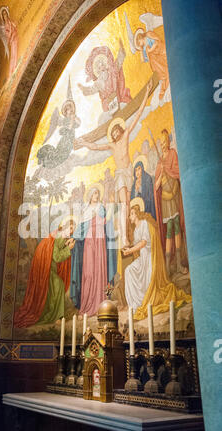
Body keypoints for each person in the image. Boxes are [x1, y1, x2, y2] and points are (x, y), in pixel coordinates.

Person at [76, 80, 153, 247]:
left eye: (118, 130)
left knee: (131, 202)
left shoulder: (125, 136)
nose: (117, 132)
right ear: (112, 134)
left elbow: (138, 115)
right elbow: (96, 147)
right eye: (114, 132)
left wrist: (146, 93)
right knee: (124, 204)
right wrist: (83, 143)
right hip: (120, 174)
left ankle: (131, 233)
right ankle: (124, 238)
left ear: (121, 130)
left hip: (129, 171)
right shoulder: (111, 145)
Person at [122, 198, 191, 320]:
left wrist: (130, 251)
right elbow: (137, 245)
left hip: (150, 258)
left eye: (131, 214)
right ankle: (136, 303)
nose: (130, 217)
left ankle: (145, 299)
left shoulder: (144, 224)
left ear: (137, 213)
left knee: (147, 278)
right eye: (129, 214)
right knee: (128, 271)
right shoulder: (136, 229)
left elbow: (143, 243)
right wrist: (128, 248)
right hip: (142, 258)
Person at [14, 218, 76, 329]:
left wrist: (66, 244)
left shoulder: (59, 235)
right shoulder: (59, 236)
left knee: (57, 285)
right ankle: (53, 315)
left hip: (47, 265)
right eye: (71, 228)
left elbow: (55, 250)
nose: (71, 231)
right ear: (66, 226)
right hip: (46, 267)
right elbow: (56, 257)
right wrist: (68, 249)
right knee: (58, 285)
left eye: (73, 229)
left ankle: (55, 315)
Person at [70, 185, 117, 317]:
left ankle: (100, 305)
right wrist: (73, 238)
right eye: (95, 193)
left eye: (98, 193)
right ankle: (86, 306)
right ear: (90, 195)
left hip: (100, 243)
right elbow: (81, 227)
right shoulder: (86, 210)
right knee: (89, 273)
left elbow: (106, 222)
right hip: (90, 243)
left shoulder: (101, 208)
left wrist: (108, 211)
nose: (97, 195)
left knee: (99, 271)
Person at [154, 129, 188, 276]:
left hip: (174, 196)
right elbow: (156, 186)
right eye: (160, 143)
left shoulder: (173, 153)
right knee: (169, 230)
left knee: (176, 227)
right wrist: (161, 171)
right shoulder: (159, 161)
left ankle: (179, 262)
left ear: (168, 141)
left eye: (164, 142)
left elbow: (177, 171)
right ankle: (168, 266)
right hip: (165, 200)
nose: (163, 145)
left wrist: (168, 170)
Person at [78, 42, 132, 113]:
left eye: (102, 64)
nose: (102, 67)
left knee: (125, 106)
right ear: (97, 70)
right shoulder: (99, 82)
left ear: (105, 63)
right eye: (99, 67)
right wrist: (83, 88)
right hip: (109, 104)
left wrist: (121, 50)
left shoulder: (112, 71)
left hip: (119, 96)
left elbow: (118, 62)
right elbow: (92, 89)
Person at [134, 30, 169, 101]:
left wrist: (150, 51)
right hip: (156, 61)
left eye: (139, 42)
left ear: (140, 38)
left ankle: (164, 85)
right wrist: (141, 50)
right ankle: (164, 85)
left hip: (161, 52)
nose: (139, 44)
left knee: (153, 58)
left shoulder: (148, 36)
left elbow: (156, 42)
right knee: (156, 65)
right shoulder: (144, 48)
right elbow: (143, 60)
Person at [0, 6, 18, 77]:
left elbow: (14, 26)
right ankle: (12, 70)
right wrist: (11, 34)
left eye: (6, 14)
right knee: (13, 54)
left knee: (15, 52)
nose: (5, 15)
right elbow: (7, 34)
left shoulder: (10, 22)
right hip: (12, 40)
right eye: (4, 14)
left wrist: (14, 28)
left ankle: (15, 66)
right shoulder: (5, 25)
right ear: (2, 17)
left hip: (15, 38)